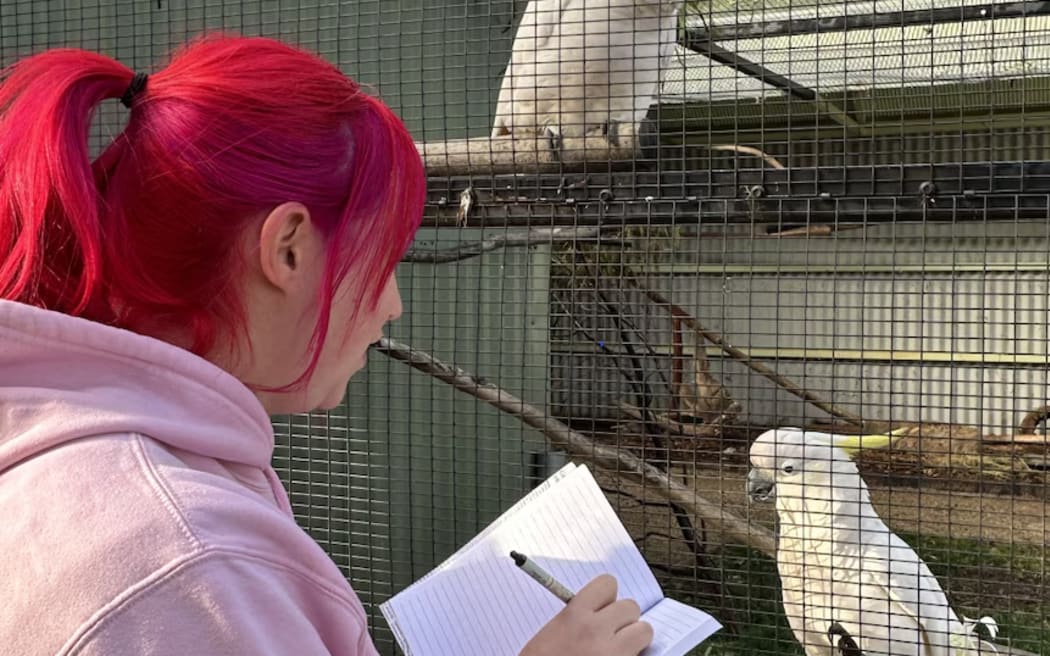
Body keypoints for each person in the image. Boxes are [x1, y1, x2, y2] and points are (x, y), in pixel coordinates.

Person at [0, 34, 654, 656]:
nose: (392, 301)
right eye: (382, 258)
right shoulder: (188, 566)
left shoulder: (99, 456)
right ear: (288, 249)